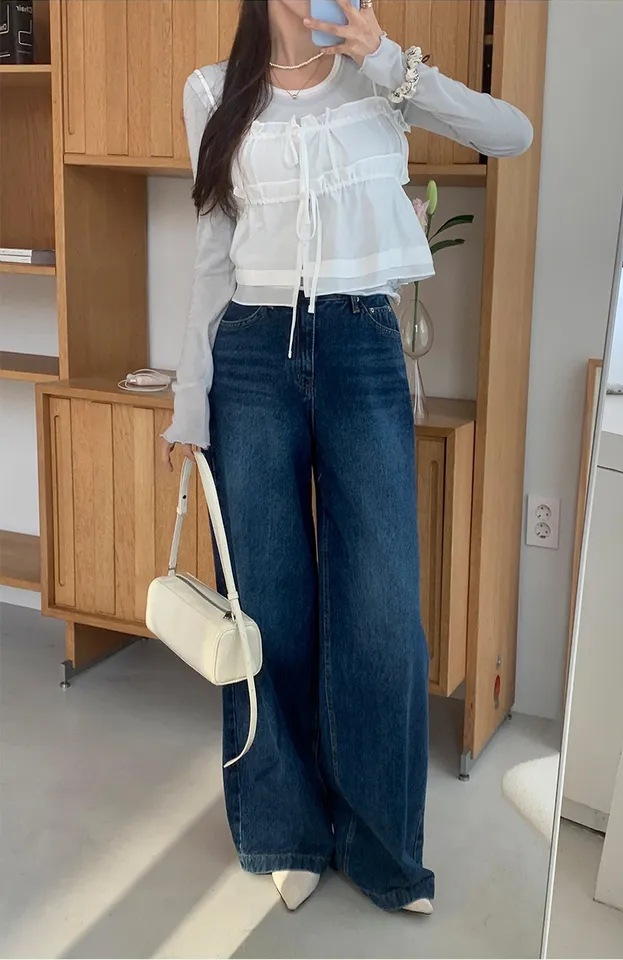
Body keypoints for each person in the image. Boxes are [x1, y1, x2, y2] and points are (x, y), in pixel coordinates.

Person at [160, 0, 532, 915]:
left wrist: (393, 62)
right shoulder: (213, 90)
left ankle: (381, 847)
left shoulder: (383, 79)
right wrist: (189, 398)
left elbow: (512, 134)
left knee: (382, 609)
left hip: (363, 343)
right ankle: (284, 828)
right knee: (268, 601)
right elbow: (212, 253)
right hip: (250, 355)